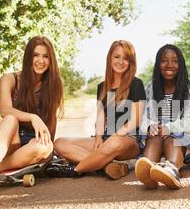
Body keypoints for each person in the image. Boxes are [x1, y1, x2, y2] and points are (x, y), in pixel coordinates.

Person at [0, 36, 63, 204]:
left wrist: (47, 153)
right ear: (28, 58)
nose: (41, 61)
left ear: (51, 59)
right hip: (13, 140)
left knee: (45, 146)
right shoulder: (10, 79)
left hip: (34, 145)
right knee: (10, 119)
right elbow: (4, 110)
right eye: (36, 55)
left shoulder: (54, 84)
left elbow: (49, 129)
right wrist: (33, 117)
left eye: (45, 56)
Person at [50, 40, 146, 179]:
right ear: (110, 58)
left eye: (126, 58)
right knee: (60, 143)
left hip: (129, 140)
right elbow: (100, 118)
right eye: (117, 57)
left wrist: (115, 135)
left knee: (114, 142)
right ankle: (109, 166)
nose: (121, 61)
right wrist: (98, 138)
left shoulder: (136, 84)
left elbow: (135, 121)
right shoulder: (102, 87)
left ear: (131, 62)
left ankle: (76, 170)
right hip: (106, 139)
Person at [135, 44, 190, 189]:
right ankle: (149, 172)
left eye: (175, 61)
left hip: (182, 138)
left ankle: (171, 170)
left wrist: (168, 128)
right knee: (154, 139)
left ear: (181, 64)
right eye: (164, 60)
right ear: (158, 64)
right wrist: (150, 126)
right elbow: (143, 118)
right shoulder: (150, 88)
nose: (169, 65)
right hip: (156, 137)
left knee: (173, 138)